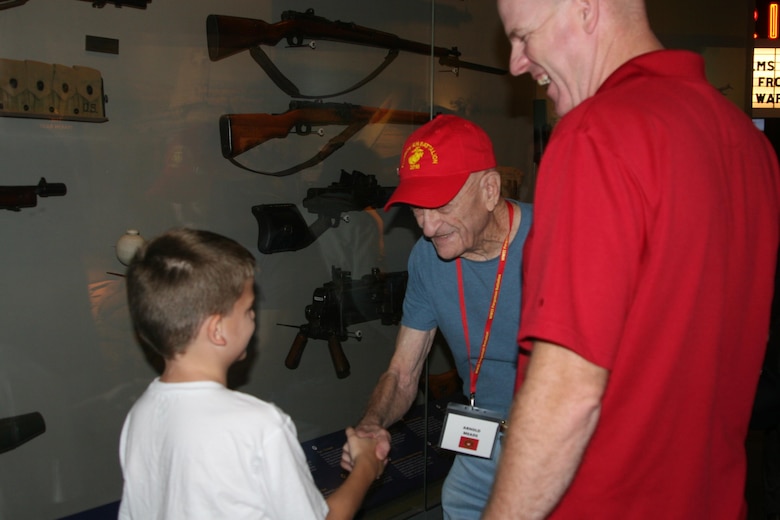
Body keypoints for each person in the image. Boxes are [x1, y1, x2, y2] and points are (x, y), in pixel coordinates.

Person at [483, 0, 780, 518]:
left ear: (584, 9)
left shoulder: (596, 133)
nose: (516, 63)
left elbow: (567, 396)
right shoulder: (748, 145)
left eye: (523, 37)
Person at [340, 114, 533, 519]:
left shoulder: (557, 239)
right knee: (458, 503)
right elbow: (403, 373)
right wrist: (373, 422)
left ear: (490, 189)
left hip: (556, 436)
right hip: (484, 434)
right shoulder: (427, 259)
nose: (427, 228)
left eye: (441, 205)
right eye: (417, 210)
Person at [118, 228, 384, 520]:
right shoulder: (259, 425)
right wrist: (366, 468)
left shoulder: (140, 414)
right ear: (217, 330)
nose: (255, 315)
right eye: (248, 309)